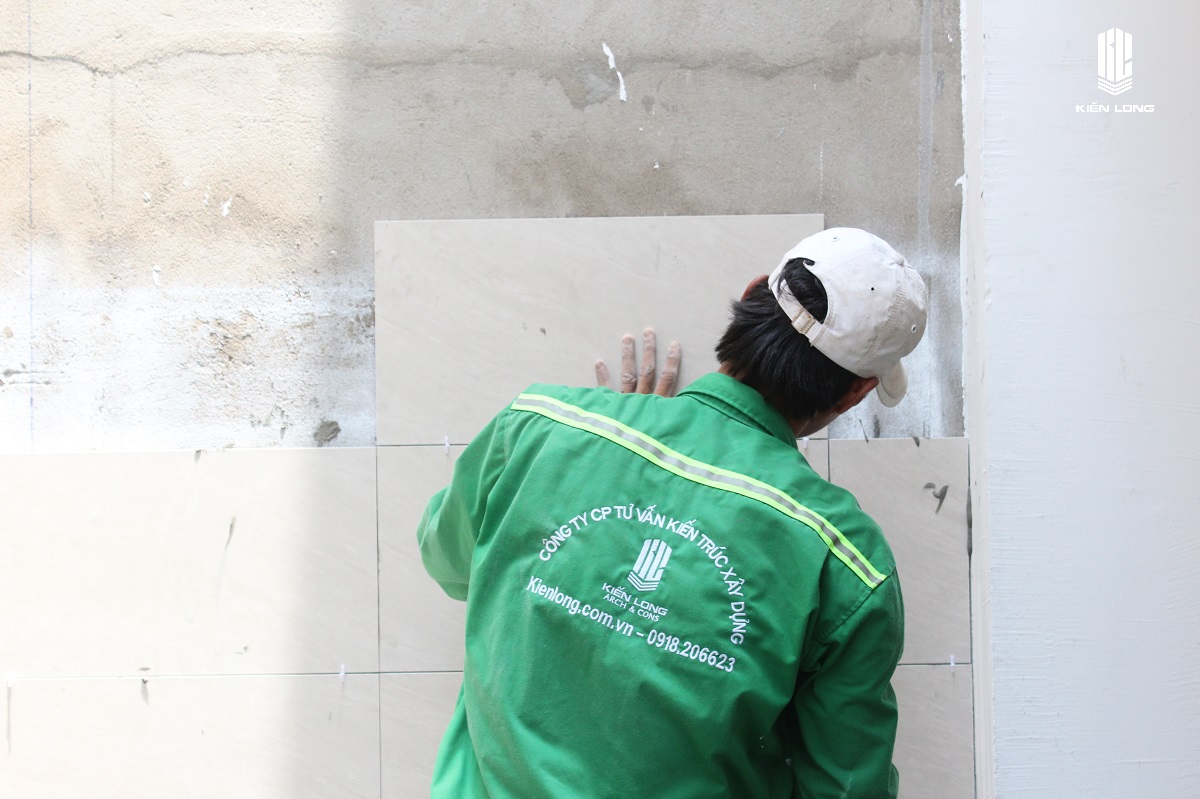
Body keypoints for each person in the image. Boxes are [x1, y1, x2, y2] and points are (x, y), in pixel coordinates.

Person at [417, 227, 929, 798]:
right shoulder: (845, 562)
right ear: (857, 391)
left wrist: (623, 443)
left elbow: (447, 560)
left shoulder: (538, 427)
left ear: (753, 291)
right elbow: (844, 787)